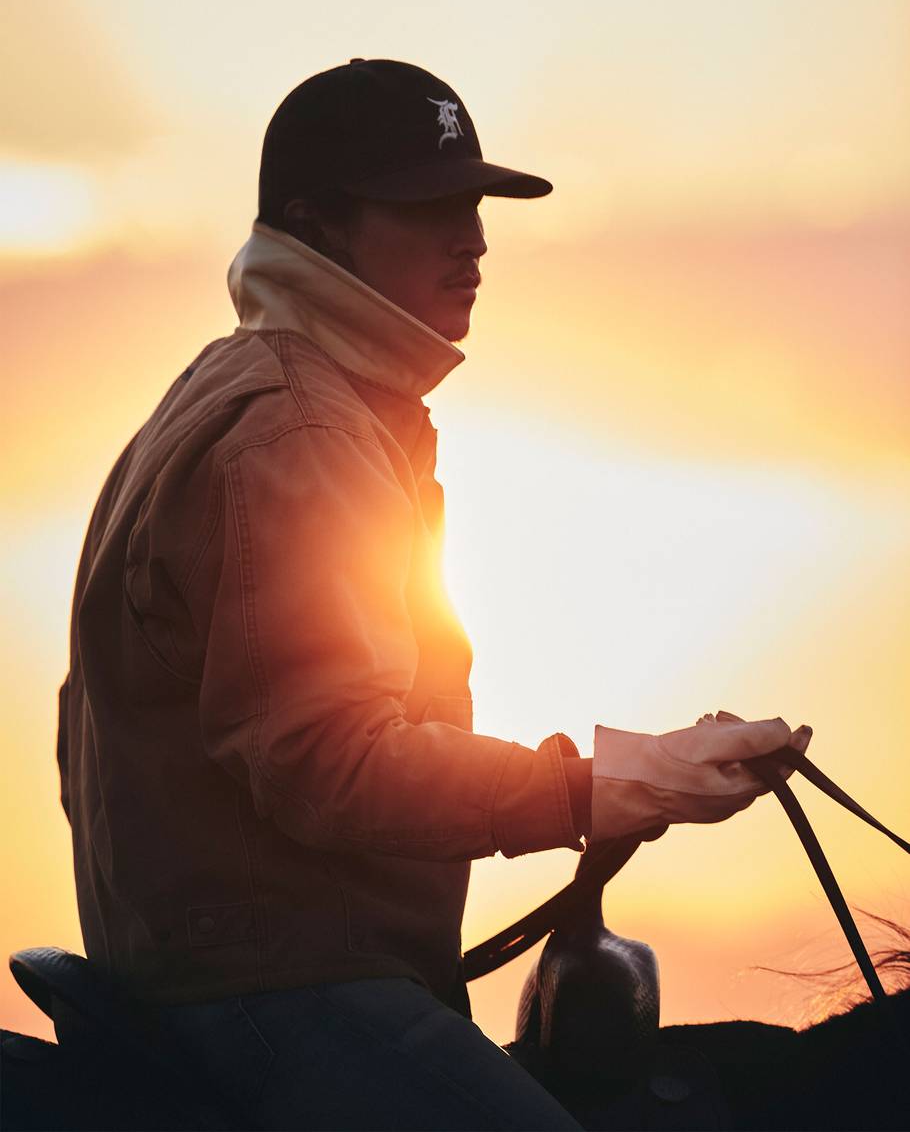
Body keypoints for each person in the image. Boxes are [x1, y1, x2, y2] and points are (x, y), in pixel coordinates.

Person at [58, 58, 811, 1131]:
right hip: (278, 993)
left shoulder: (239, 390)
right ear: (317, 225)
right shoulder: (301, 432)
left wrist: (637, 777)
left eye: (476, 206)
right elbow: (328, 762)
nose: (476, 242)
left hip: (228, 971)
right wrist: (611, 784)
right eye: (430, 208)